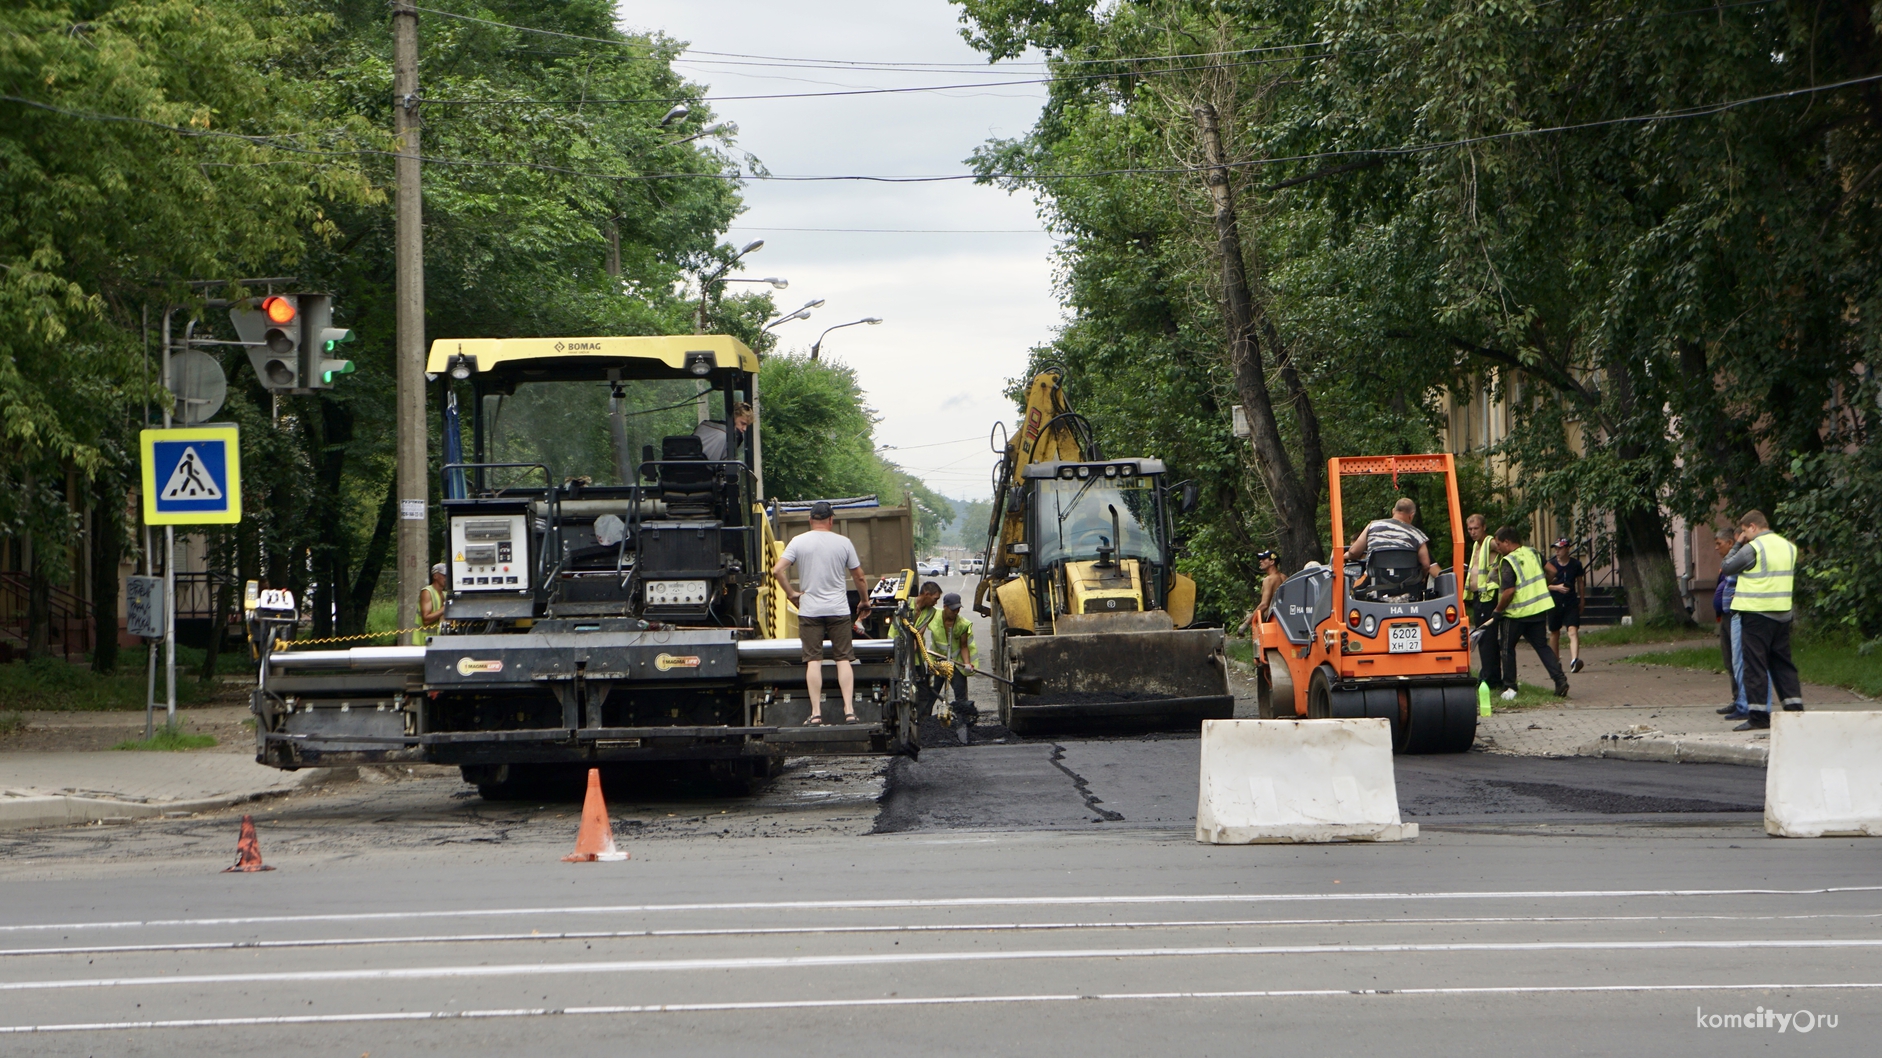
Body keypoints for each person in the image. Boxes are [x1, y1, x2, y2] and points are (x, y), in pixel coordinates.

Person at [771, 500, 871, 725]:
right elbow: (860, 577)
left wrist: (791, 594)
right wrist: (864, 601)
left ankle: (816, 713)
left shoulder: (798, 541)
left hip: (810, 609)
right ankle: (849, 711)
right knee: (843, 659)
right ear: (831, 520)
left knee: (813, 661)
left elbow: (777, 570)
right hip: (838, 609)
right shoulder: (843, 543)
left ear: (810, 520)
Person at [1717, 510, 1800, 731]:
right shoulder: (1788, 547)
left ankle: (1759, 717)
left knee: (1755, 666)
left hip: (1756, 615)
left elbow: (1727, 567)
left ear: (1753, 527)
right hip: (1782, 614)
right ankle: (1795, 712)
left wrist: (1738, 544)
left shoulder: (1755, 547)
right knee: (1783, 664)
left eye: (1744, 531)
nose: (1743, 536)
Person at [1490, 526, 1568, 700]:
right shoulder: (1533, 552)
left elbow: (1509, 591)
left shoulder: (1508, 561)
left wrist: (1498, 610)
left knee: (1507, 648)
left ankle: (1510, 687)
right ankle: (1560, 680)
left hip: (1516, 613)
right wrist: (1541, 585)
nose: (1498, 548)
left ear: (1507, 542)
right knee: (1542, 647)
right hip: (1538, 610)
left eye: (1499, 544)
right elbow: (1553, 571)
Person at [1345, 498, 1442, 584]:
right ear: (1411, 515)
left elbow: (1354, 552)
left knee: (1352, 590)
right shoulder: (1418, 535)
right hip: (1407, 584)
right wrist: (1421, 578)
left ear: (1393, 511)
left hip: (1374, 582)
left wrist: (1344, 556)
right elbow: (1426, 564)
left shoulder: (1373, 525)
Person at [1709, 532, 1752, 719]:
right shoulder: (1729, 563)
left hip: (1736, 613)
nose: (1716, 548)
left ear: (1730, 542)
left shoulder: (1741, 558)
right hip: (1726, 615)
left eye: (1719, 544)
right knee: (1730, 660)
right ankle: (1737, 699)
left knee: (1739, 660)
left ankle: (1744, 701)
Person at [1462, 513, 1502, 688]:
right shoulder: (1476, 546)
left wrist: (1498, 570)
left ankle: (1489, 677)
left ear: (1484, 527)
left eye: (1475, 528)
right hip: (1479, 597)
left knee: (1486, 638)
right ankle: (1490, 675)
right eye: (1470, 529)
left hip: (1488, 597)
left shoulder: (1490, 542)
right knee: (1484, 638)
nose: (1472, 532)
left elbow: (1508, 550)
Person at [927, 592, 977, 713]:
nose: (956, 612)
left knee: (961, 698)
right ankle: (924, 723)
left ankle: (962, 723)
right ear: (945, 607)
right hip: (937, 663)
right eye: (953, 609)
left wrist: (967, 664)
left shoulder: (962, 624)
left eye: (958, 609)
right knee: (929, 696)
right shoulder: (934, 617)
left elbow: (964, 646)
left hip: (956, 665)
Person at [1544, 538, 1585, 674]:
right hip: (1554, 602)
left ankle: (1574, 660)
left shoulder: (1576, 564)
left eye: (1560, 548)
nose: (1557, 551)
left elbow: (1580, 583)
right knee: (1554, 632)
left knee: (1572, 631)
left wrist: (1582, 600)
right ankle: (1555, 662)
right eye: (1556, 549)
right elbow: (1543, 585)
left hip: (1570, 602)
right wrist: (1556, 588)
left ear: (1567, 549)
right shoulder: (1550, 565)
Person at [1233, 550, 1284, 637]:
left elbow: (1264, 605)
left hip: (1272, 623)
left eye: (1264, 559)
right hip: (1284, 623)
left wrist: (1245, 624)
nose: (1260, 561)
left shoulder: (1269, 580)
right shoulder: (1285, 577)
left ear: (1272, 562)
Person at [418, 563, 447, 643]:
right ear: (435, 576)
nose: (447, 578)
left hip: (437, 641)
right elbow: (426, 619)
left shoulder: (445, 594)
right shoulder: (427, 592)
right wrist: (445, 608)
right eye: (444, 575)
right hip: (424, 642)